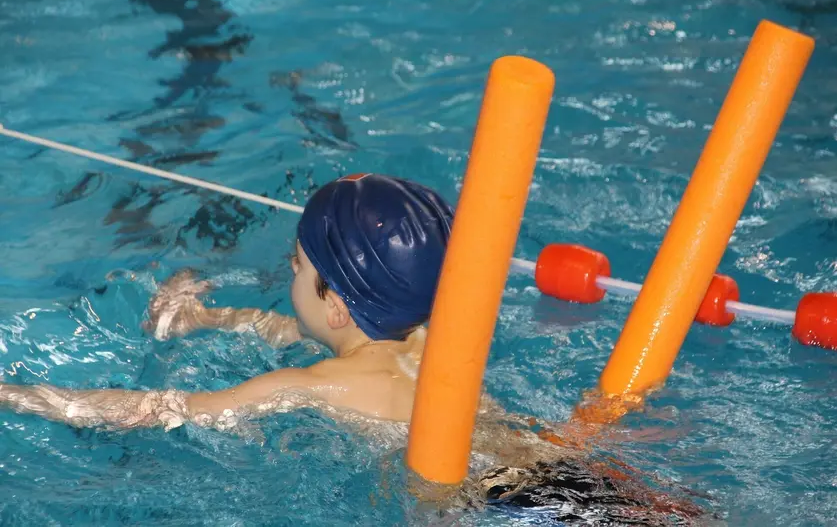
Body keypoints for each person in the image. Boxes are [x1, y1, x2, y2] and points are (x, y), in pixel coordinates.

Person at [0, 173, 710, 523]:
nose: (288, 282)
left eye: (295, 270)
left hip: (508, 512)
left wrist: (21, 395)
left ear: (335, 304)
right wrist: (210, 319)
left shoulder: (316, 385)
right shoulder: (434, 335)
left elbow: (162, 409)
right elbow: (286, 327)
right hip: (572, 472)